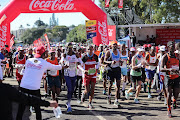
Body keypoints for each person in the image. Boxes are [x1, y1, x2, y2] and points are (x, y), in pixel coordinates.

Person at [16, 46, 64, 120]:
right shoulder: (44, 63)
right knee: (37, 109)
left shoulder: (29, 60)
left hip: (23, 86)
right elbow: (55, 67)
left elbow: (24, 71)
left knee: (21, 108)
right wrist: (63, 66)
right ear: (44, 54)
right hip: (34, 88)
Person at [160, 41, 180, 118]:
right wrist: (169, 70)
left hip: (176, 77)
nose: (172, 47)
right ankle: (169, 109)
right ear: (168, 47)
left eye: (173, 46)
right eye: (171, 46)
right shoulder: (165, 56)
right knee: (169, 93)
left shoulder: (177, 56)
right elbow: (161, 68)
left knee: (176, 93)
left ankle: (174, 101)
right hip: (168, 77)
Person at [61, 43, 79, 114]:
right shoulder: (65, 55)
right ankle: (69, 105)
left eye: (71, 48)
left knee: (72, 90)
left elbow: (80, 62)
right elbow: (61, 62)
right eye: (68, 48)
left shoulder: (75, 55)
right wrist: (63, 64)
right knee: (70, 88)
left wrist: (80, 61)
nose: (70, 49)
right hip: (67, 74)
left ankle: (68, 101)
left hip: (74, 74)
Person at [80, 45, 99, 109]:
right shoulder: (84, 57)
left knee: (92, 89)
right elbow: (79, 66)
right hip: (86, 75)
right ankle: (83, 93)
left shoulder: (95, 56)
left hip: (93, 74)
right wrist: (83, 70)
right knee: (87, 90)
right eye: (89, 49)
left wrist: (97, 68)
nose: (90, 51)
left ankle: (90, 103)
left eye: (91, 49)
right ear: (87, 50)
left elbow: (98, 63)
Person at [104, 42, 122, 107]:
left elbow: (119, 59)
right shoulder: (108, 52)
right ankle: (109, 96)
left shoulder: (119, 51)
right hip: (111, 69)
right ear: (111, 46)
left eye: (116, 44)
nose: (115, 46)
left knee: (118, 85)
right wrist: (111, 62)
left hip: (117, 69)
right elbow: (104, 61)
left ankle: (116, 100)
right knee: (110, 84)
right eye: (113, 45)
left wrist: (120, 61)